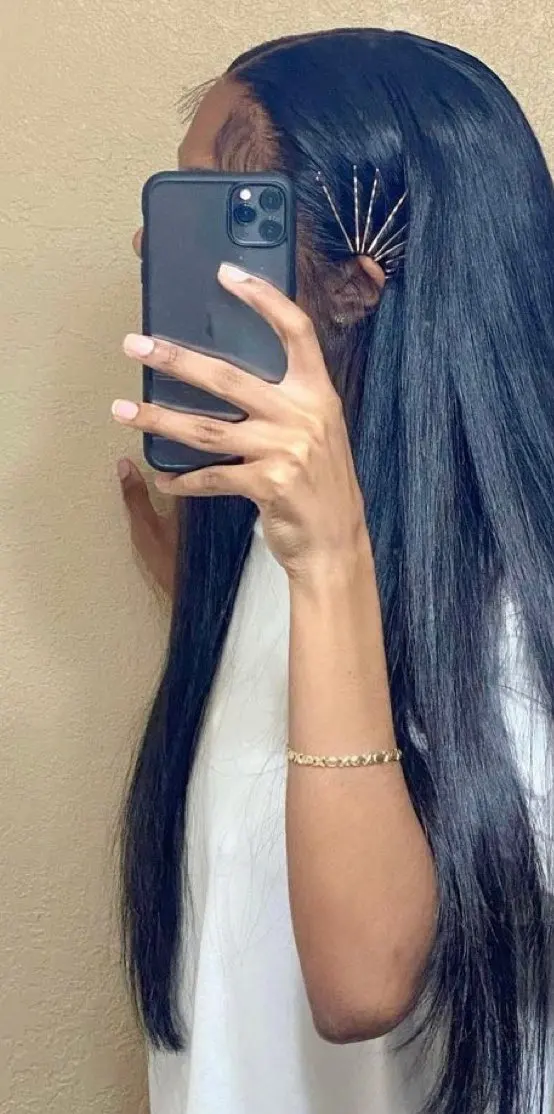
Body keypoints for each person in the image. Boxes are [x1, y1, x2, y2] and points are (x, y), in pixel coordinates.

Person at [112, 28, 554, 1114]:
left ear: (358, 284)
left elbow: (362, 986)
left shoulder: (508, 607)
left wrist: (327, 566)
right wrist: (214, 613)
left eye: (217, 207)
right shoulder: (268, 536)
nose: (146, 240)